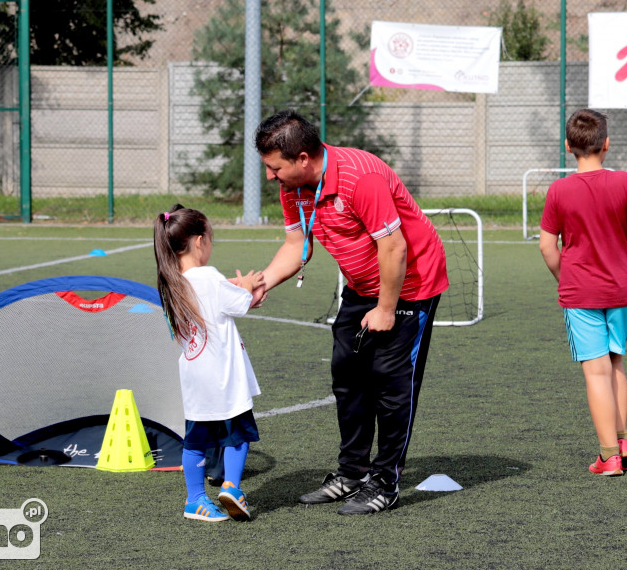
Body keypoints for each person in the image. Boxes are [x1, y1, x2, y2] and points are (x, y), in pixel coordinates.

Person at [254, 109, 449, 515]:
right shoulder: (293, 188)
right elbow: (296, 246)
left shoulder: (362, 177)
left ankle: (385, 481)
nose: (270, 177)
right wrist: (263, 283)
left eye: (275, 169)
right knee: (348, 377)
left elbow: (394, 247)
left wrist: (385, 308)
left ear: (303, 159)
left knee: (391, 385)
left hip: (410, 285)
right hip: (362, 285)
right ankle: (352, 473)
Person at [538, 109, 627, 477]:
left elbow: (547, 247)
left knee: (595, 372)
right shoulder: (624, 181)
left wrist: (566, 278)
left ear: (568, 146)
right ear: (607, 144)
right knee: (615, 363)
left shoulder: (559, 190)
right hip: (621, 290)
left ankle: (609, 455)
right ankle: (624, 441)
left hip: (581, 292)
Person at [153, 204, 266, 522]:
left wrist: (232, 288)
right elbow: (241, 304)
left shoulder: (172, 284)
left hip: (195, 380)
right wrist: (246, 287)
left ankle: (196, 499)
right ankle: (231, 486)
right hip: (224, 378)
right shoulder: (209, 277)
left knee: (195, 441)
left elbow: (213, 301)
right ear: (200, 241)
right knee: (238, 434)